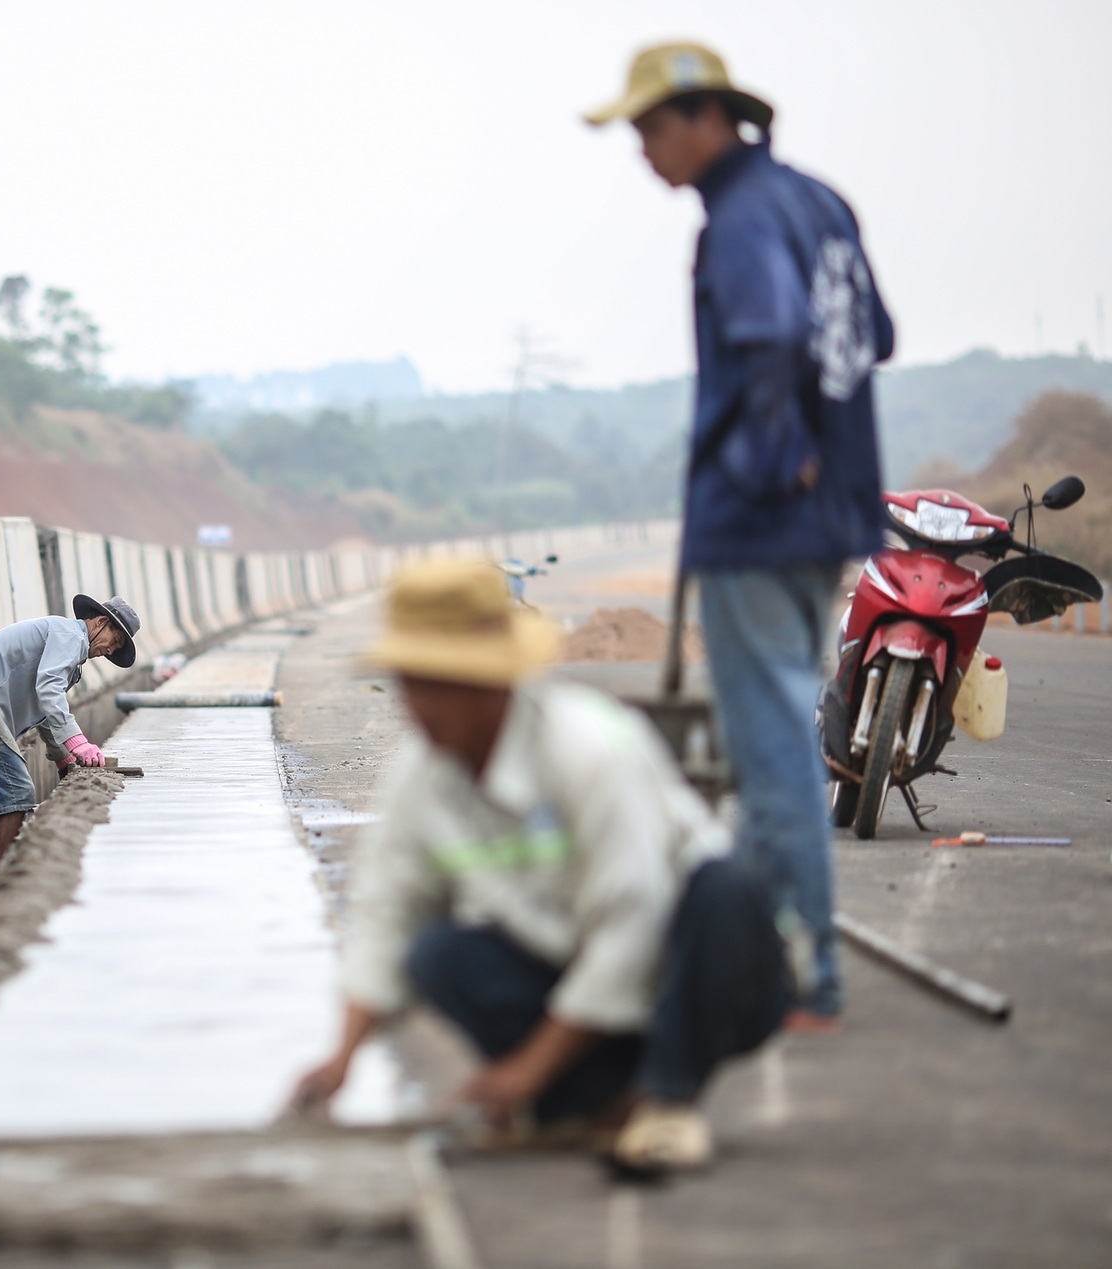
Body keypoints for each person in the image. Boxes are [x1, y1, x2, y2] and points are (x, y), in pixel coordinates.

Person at [292, 561, 789, 1175]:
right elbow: (388, 913)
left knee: (728, 888)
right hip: (569, 980)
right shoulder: (421, 778)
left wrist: (524, 1070)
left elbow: (630, 926)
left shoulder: (590, 748)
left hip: (678, 975)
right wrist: (341, 1057)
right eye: (409, 684)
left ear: (490, 684)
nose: (416, 706)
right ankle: (595, 1099)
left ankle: (668, 1095)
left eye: (436, 685)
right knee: (437, 954)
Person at [586, 43, 895, 1027]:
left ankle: (806, 974)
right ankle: (752, 957)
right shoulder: (819, 203)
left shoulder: (743, 217)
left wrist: (771, 460)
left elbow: (767, 335)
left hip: (762, 519)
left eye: (649, 128)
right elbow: (874, 336)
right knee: (779, 734)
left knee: (771, 754)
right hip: (831, 514)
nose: (641, 150)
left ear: (708, 119)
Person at [0, 594, 140, 869]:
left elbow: (44, 709)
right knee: (16, 792)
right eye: (114, 641)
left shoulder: (63, 641)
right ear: (100, 622)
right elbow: (49, 690)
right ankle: (5, 879)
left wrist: (63, 757)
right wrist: (78, 743)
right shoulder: (70, 636)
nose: (111, 651)